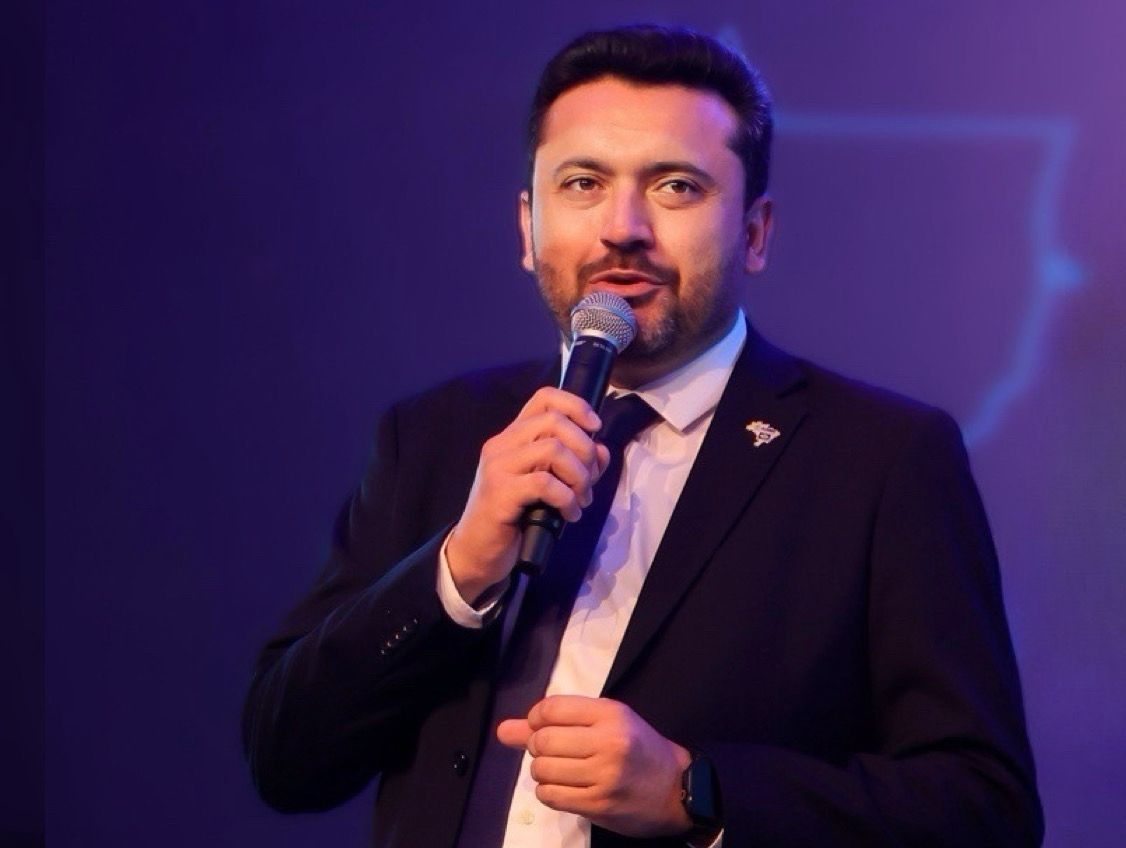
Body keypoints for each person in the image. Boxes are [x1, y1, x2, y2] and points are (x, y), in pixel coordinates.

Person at [243, 24, 1043, 848]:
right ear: (527, 228)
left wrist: (697, 792)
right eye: (582, 183)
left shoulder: (880, 459)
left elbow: (984, 810)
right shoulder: (435, 434)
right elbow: (286, 758)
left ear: (755, 233)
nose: (622, 226)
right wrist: (458, 569)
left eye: (676, 187)